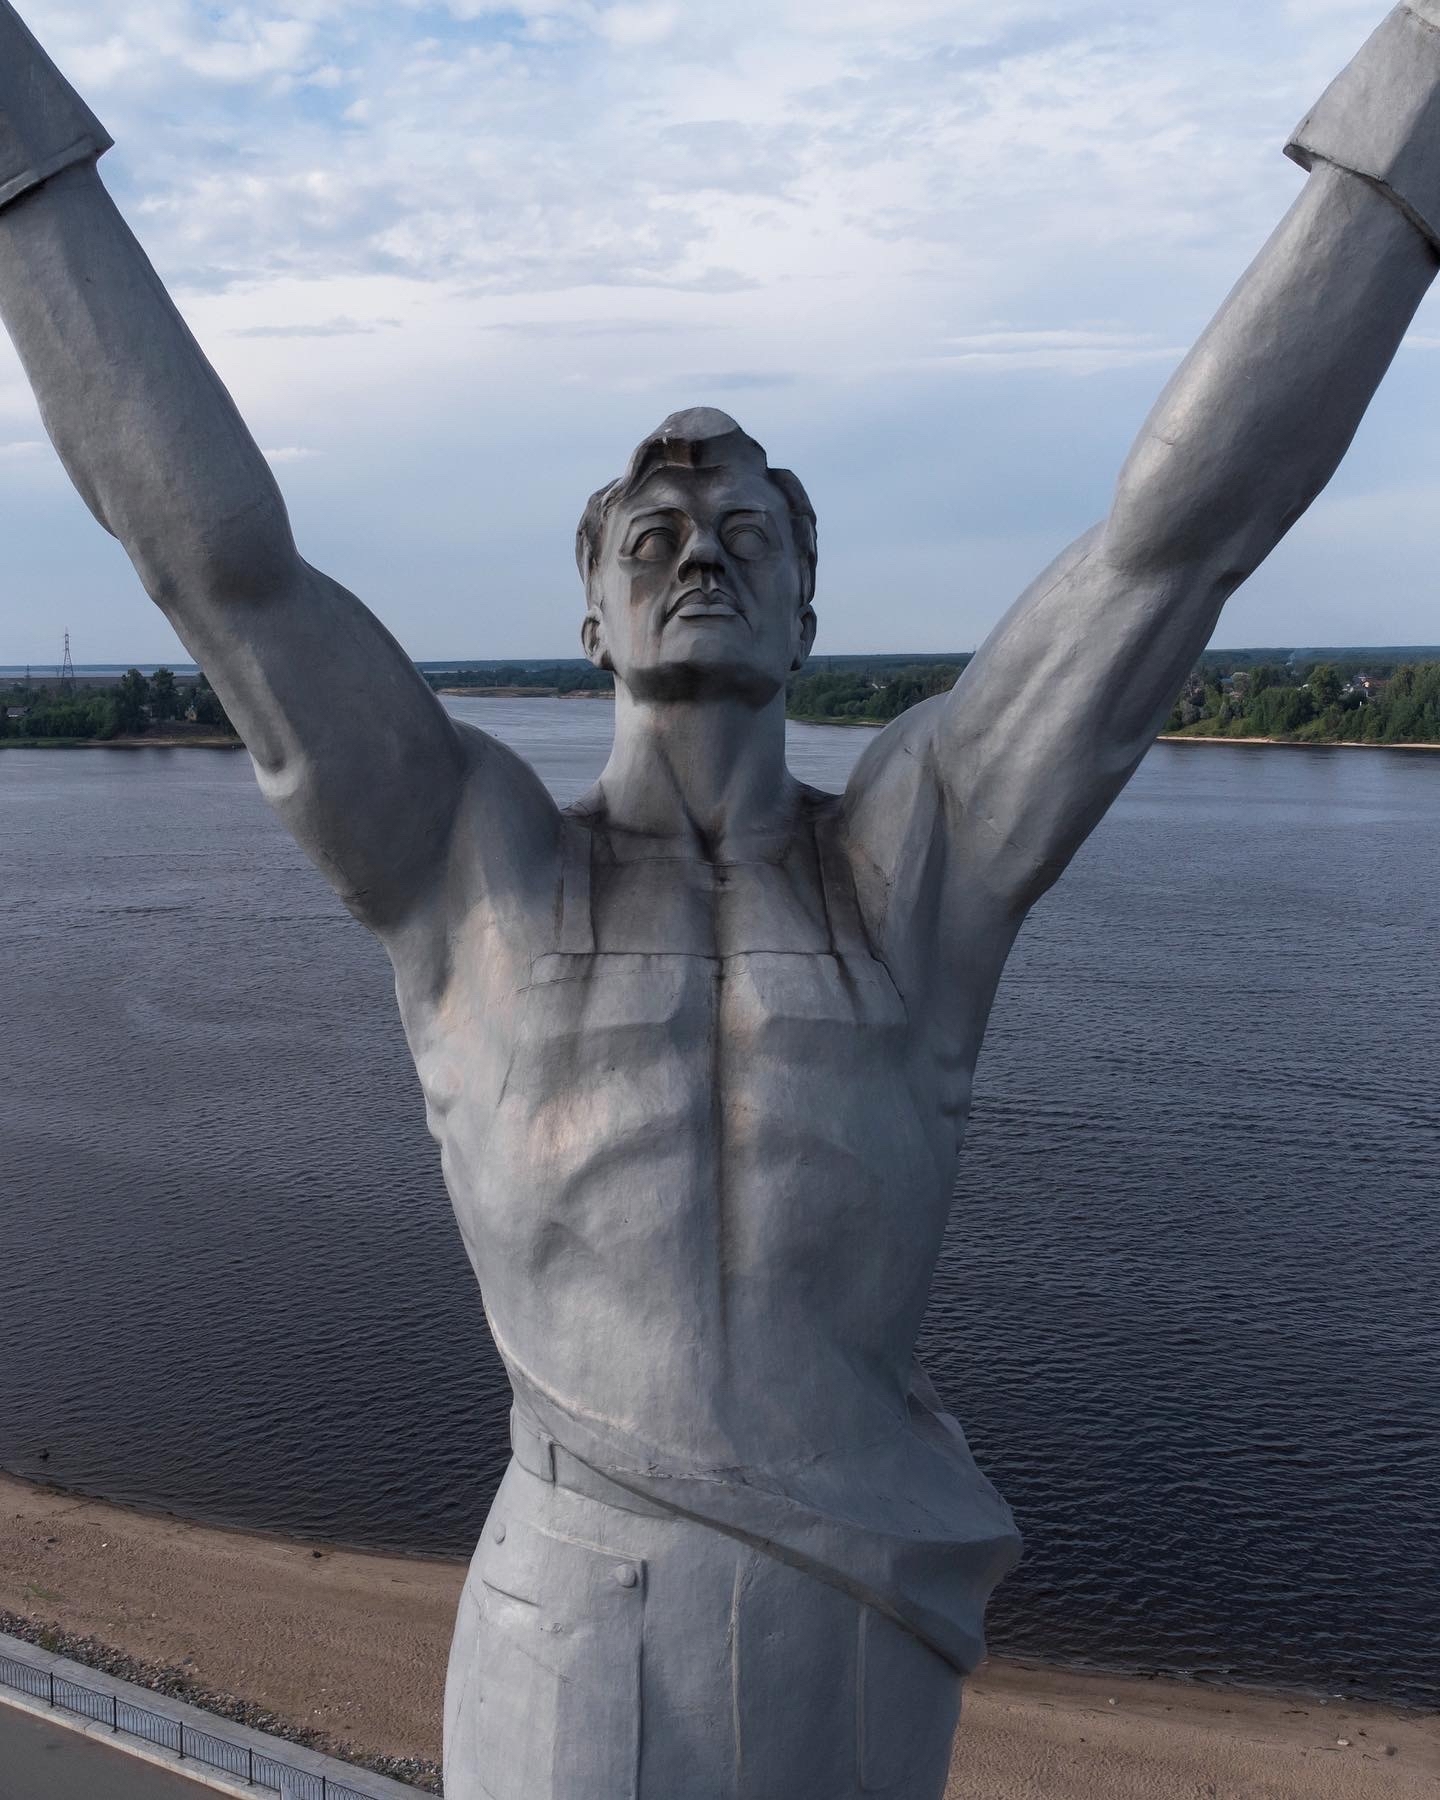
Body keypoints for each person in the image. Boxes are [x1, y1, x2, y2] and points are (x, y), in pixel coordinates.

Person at [2, 6, 1438, 1796]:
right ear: (590, 613)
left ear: (808, 618)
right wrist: (19, 158)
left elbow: (1182, 531)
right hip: (565, 1630)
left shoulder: (916, 867)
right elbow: (222, 566)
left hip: (852, 1625)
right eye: (653, 535)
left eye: (745, 535)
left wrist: (1412, 112)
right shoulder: (473, 866)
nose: (700, 554)